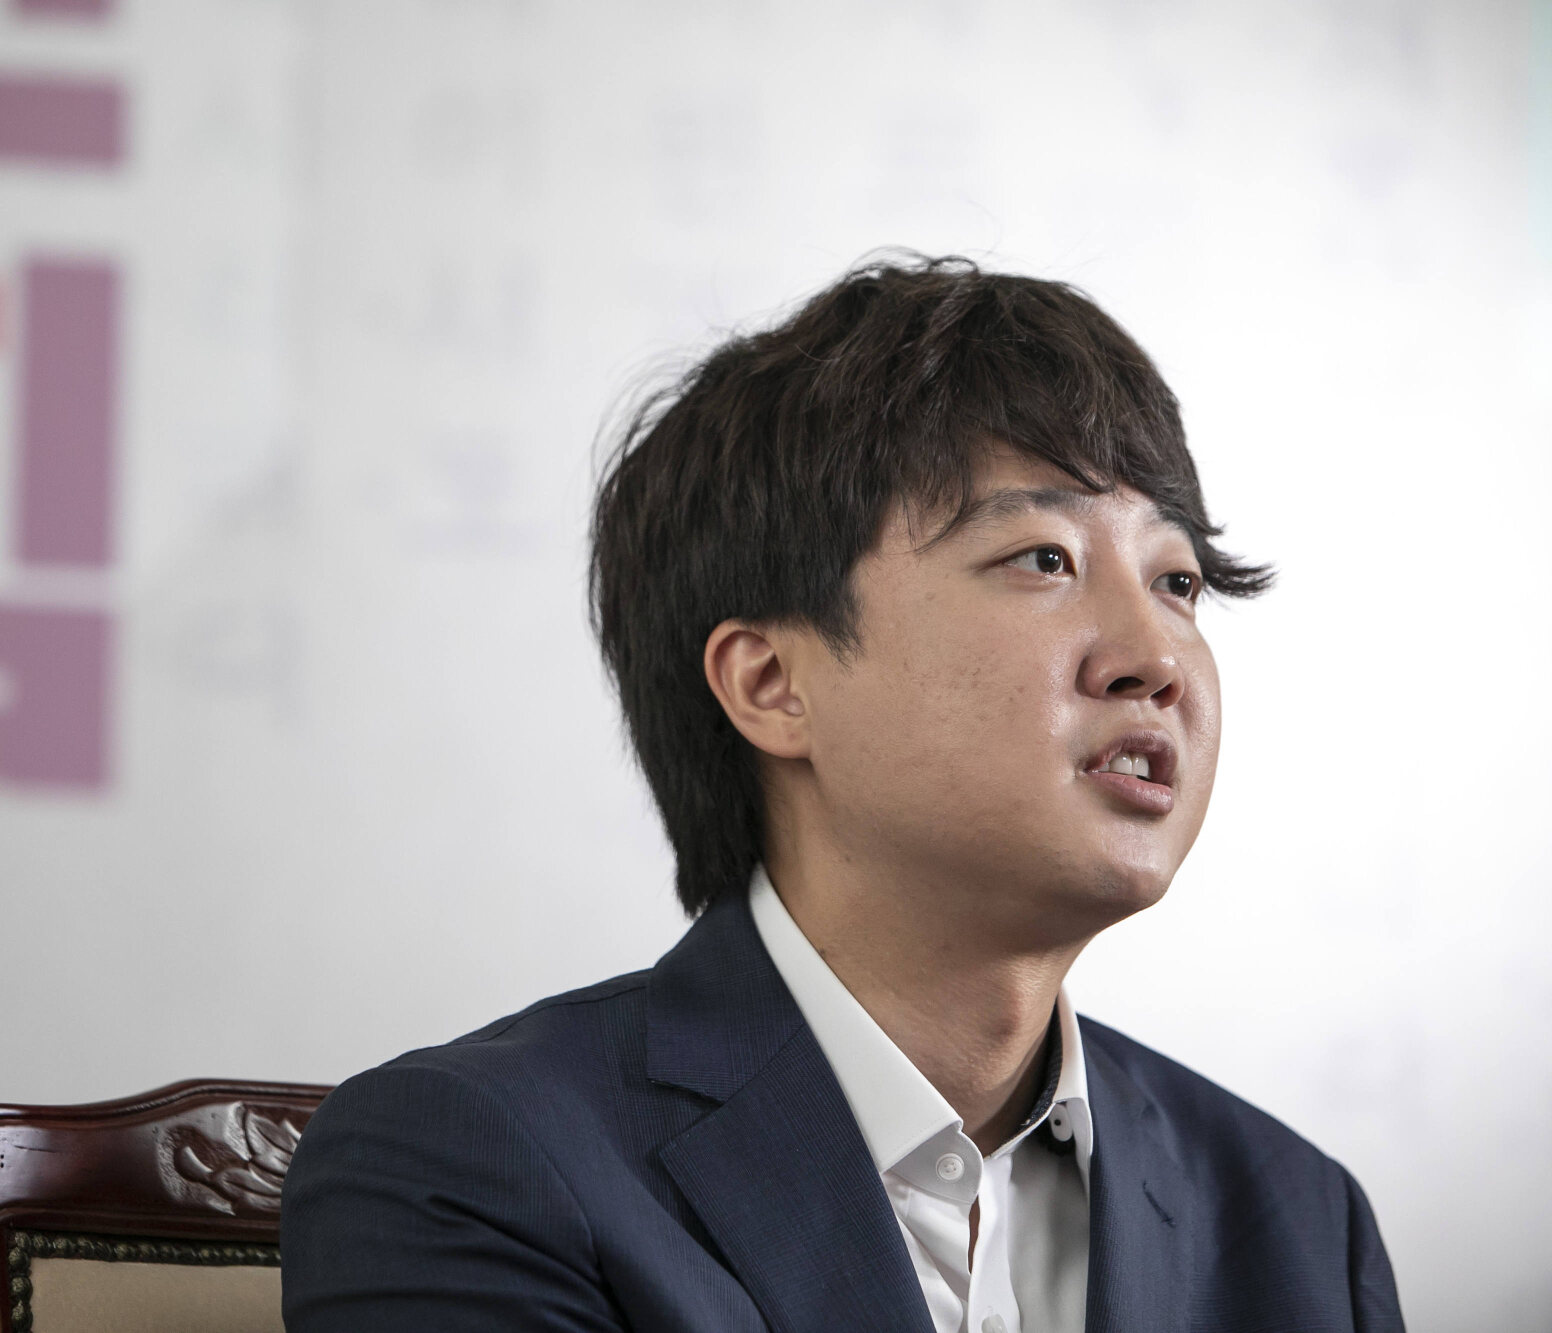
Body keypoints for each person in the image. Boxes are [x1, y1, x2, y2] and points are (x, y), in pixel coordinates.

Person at [280, 256, 1405, 1333]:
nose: (1153, 658)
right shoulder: (471, 1163)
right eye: (1043, 558)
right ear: (772, 684)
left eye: (1177, 580)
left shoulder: (1301, 1222)